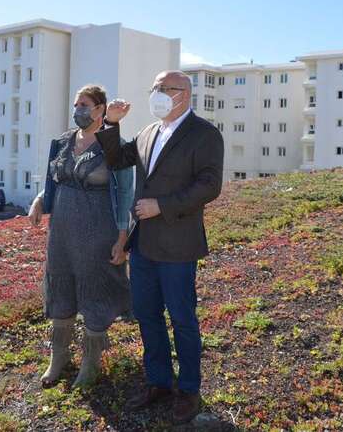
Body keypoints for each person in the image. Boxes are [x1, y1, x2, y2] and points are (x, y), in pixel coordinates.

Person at [95, 70, 224, 424]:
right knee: (147, 316)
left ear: (184, 94)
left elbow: (210, 185)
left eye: (165, 88)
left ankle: (189, 389)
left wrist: (161, 205)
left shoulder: (205, 134)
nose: (158, 93)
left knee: (182, 319)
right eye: (154, 87)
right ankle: (158, 382)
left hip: (178, 244)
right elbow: (118, 160)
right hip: (145, 245)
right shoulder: (149, 132)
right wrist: (110, 123)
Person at [28, 85, 134, 389]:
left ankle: (90, 364)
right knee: (60, 289)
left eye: (84, 104)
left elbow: (125, 192)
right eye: (76, 104)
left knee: (95, 293)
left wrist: (122, 237)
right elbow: (56, 178)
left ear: (100, 109)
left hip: (98, 232)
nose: (78, 110)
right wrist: (39, 199)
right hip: (61, 232)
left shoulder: (115, 145)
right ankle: (58, 358)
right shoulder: (63, 141)